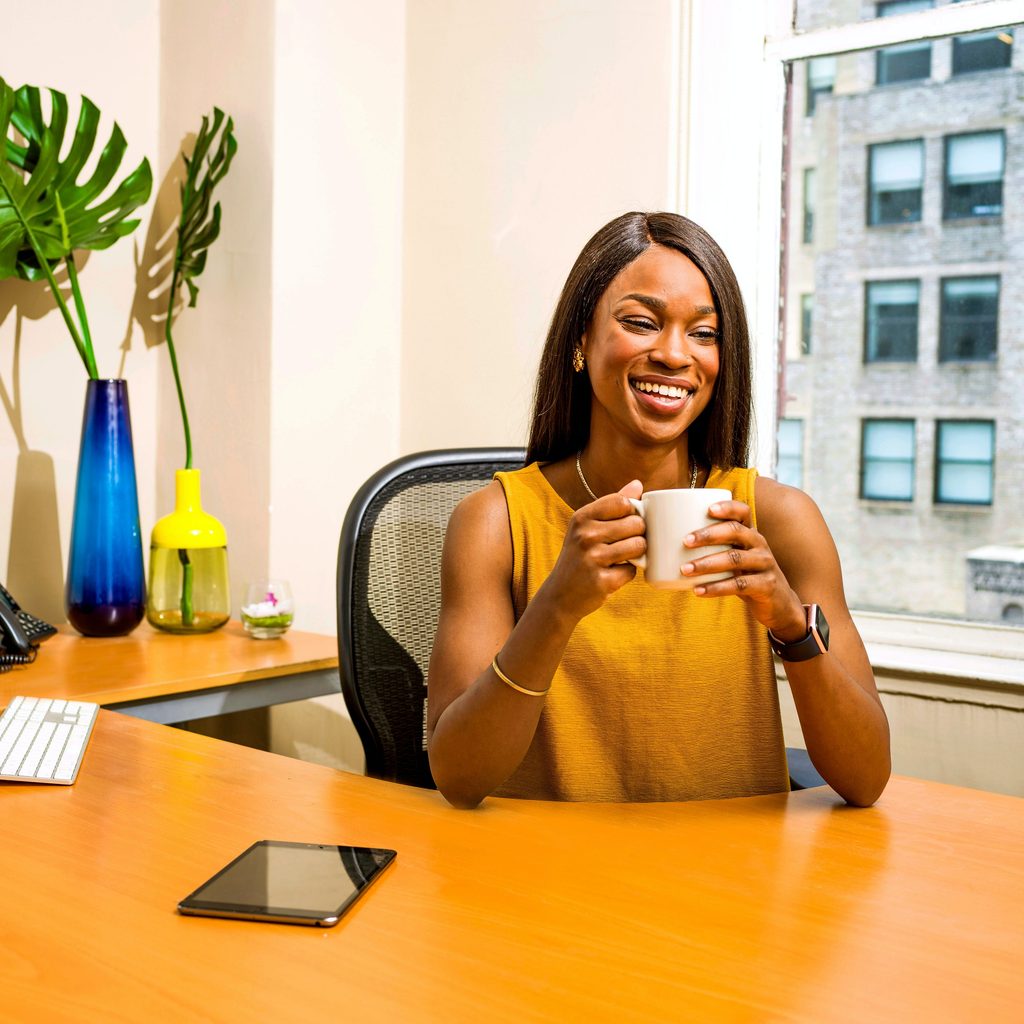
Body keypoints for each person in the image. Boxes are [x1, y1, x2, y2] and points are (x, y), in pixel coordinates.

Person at [426, 211, 890, 809]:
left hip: (731, 861)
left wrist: (791, 626)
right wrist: (556, 607)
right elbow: (459, 777)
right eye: (641, 323)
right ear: (580, 340)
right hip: (551, 861)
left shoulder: (779, 519)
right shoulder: (494, 523)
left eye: (704, 333)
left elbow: (866, 779)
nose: (674, 354)